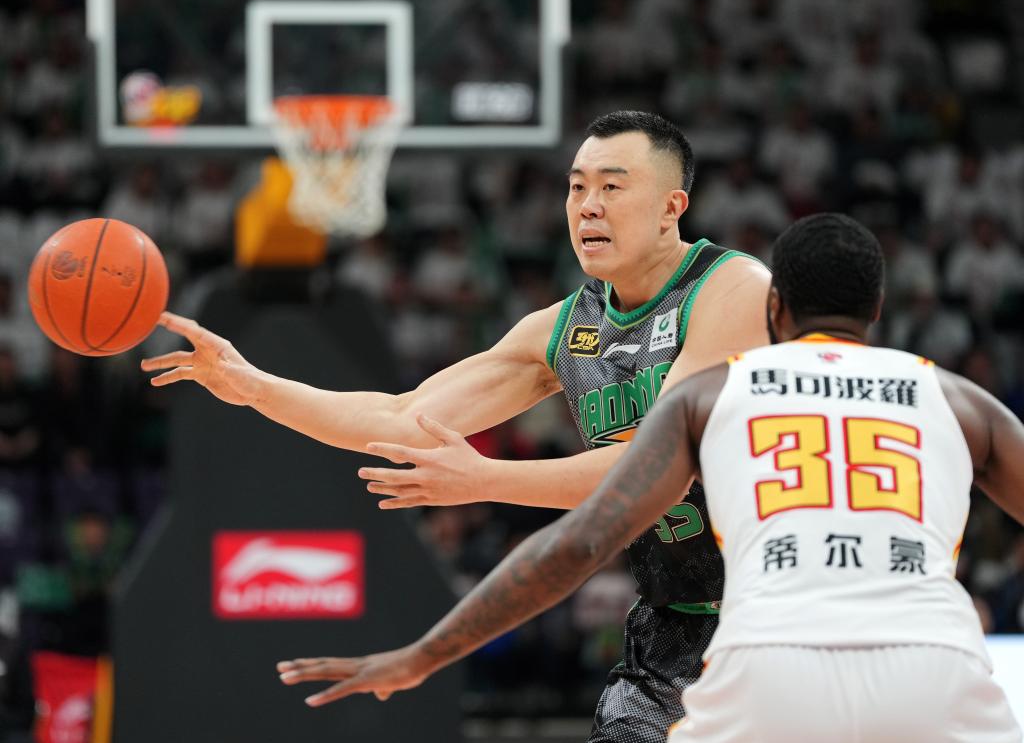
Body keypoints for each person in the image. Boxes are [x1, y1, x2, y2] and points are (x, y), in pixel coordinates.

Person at [142, 110, 771, 741]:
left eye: (612, 186)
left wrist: (485, 478)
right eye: (577, 187)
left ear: (671, 207)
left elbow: (659, 469)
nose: (588, 206)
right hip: (672, 626)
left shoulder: (731, 290)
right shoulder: (563, 329)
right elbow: (402, 418)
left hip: (774, 607)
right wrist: (254, 386)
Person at [276, 213, 1023, 743]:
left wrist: (423, 656)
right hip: (935, 668)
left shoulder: (713, 395)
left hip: (770, 666)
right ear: (880, 309)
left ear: (774, 308)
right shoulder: (960, 400)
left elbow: (576, 544)